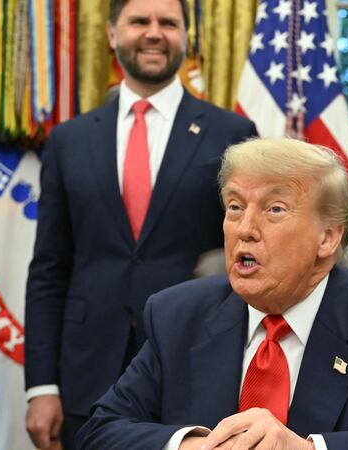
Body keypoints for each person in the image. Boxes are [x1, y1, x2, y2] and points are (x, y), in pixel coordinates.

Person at [76, 138, 348, 450]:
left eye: (274, 209)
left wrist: (308, 449)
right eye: (234, 206)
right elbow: (100, 430)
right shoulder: (178, 315)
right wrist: (189, 444)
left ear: (328, 238)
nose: (244, 228)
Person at [23, 0, 257, 448]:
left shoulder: (231, 133)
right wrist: (41, 386)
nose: (154, 33)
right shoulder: (69, 140)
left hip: (194, 364)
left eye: (168, 23)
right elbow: (49, 269)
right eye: (139, 21)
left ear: (186, 37)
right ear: (112, 35)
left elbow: (247, 256)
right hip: (84, 375)